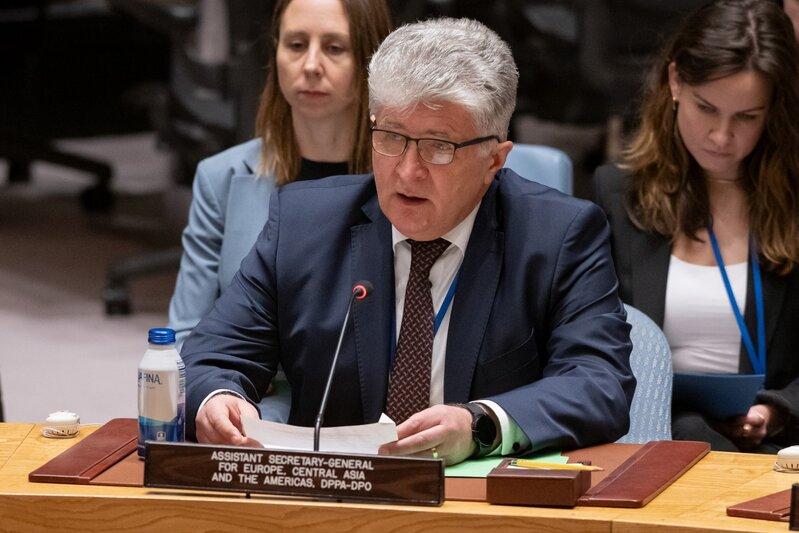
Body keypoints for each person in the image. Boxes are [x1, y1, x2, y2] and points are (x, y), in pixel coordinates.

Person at [182, 18, 634, 465]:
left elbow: (599, 383)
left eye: (438, 146)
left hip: (484, 496)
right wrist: (219, 400)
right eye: (392, 137)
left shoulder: (558, 235)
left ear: (494, 160)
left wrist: (480, 424)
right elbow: (214, 353)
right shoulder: (304, 225)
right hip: (336, 491)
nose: (407, 171)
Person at [167, 0, 392, 422]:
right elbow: (184, 337)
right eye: (296, 45)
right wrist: (221, 384)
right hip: (255, 405)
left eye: (334, 48)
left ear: (371, 61)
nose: (311, 65)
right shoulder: (221, 177)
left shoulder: (403, 180)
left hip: (371, 407)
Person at [594, 0, 799, 452]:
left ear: (772, 111)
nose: (722, 137)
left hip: (768, 449)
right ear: (675, 82)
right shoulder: (617, 195)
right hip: (647, 436)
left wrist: (777, 410)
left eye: (747, 117)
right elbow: (589, 345)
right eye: (707, 108)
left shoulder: (792, 203)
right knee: (687, 429)